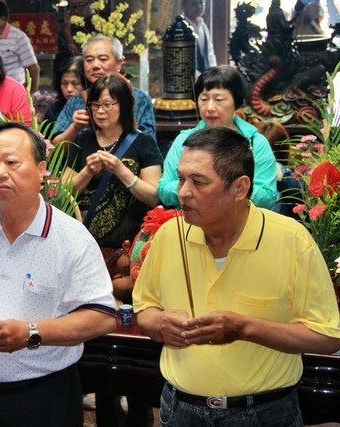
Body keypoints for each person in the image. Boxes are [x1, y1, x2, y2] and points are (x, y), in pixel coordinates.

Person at [132, 126, 340, 426]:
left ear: (240, 188)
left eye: (199, 182)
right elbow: (145, 308)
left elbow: (327, 337)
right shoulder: (169, 234)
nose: (183, 192)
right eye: (181, 178)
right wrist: (161, 324)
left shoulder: (291, 240)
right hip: (179, 409)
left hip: (263, 413)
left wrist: (245, 328)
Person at [0, 122, 117, 427]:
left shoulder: (71, 237)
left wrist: (30, 333)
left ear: (42, 170)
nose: (0, 172)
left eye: (12, 162)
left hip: (43, 398)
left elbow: (103, 315)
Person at [158, 65, 278, 209]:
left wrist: (220, 188)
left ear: (236, 102)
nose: (209, 107)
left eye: (219, 100)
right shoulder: (184, 141)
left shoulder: (255, 142)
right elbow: (164, 189)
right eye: (203, 99)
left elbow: (267, 196)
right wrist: (199, 187)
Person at [63, 73, 162, 247]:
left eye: (108, 105)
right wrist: (88, 171)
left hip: (127, 245)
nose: (100, 111)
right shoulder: (83, 139)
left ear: (124, 105)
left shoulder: (143, 142)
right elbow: (64, 193)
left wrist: (121, 170)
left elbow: (154, 197)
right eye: (95, 105)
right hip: (83, 242)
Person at [52, 34, 156, 144]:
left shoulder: (139, 99)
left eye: (103, 59)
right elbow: (55, 147)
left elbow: (149, 147)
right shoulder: (75, 101)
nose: (95, 65)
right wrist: (75, 127)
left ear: (119, 63)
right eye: (89, 60)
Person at [0, 0, 40, 93]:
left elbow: (33, 69)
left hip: (13, 91)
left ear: (2, 20)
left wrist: (29, 94)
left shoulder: (19, 38)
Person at [44, 56, 84, 124]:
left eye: (75, 83)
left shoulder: (95, 110)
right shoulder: (54, 110)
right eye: (64, 83)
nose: (69, 89)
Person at [181, 0, 217, 73]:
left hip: (206, 78)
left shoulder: (203, 26)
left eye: (201, 3)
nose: (199, 7)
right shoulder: (180, 28)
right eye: (194, 3)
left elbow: (210, 53)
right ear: (184, 6)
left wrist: (214, 74)